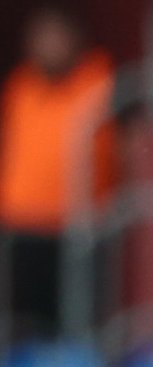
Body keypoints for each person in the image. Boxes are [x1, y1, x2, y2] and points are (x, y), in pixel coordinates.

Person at [0, 5, 116, 342]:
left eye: (55, 36)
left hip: (78, 229)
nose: (48, 45)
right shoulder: (20, 87)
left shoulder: (100, 81)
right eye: (41, 37)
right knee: (21, 327)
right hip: (21, 228)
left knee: (74, 327)